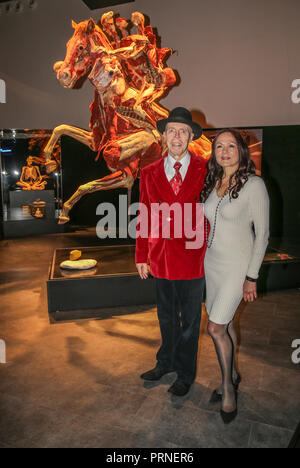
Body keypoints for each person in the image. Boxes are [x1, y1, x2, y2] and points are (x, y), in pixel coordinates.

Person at [135, 107, 207, 396]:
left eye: (183, 131)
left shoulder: (205, 168)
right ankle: (165, 362)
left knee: (190, 321)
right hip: (161, 257)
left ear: (190, 136)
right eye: (172, 131)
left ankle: (185, 373)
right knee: (166, 316)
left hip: (193, 257)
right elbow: (144, 215)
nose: (177, 136)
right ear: (163, 135)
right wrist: (141, 255)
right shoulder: (148, 172)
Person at [200, 128, 269, 423]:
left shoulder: (254, 184)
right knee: (225, 324)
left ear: (241, 151)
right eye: (219, 146)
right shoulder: (214, 181)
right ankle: (234, 373)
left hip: (236, 267)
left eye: (231, 145)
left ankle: (228, 388)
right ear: (214, 153)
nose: (225, 151)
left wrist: (251, 277)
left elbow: (262, 234)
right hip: (211, 265)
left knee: (214, 329)